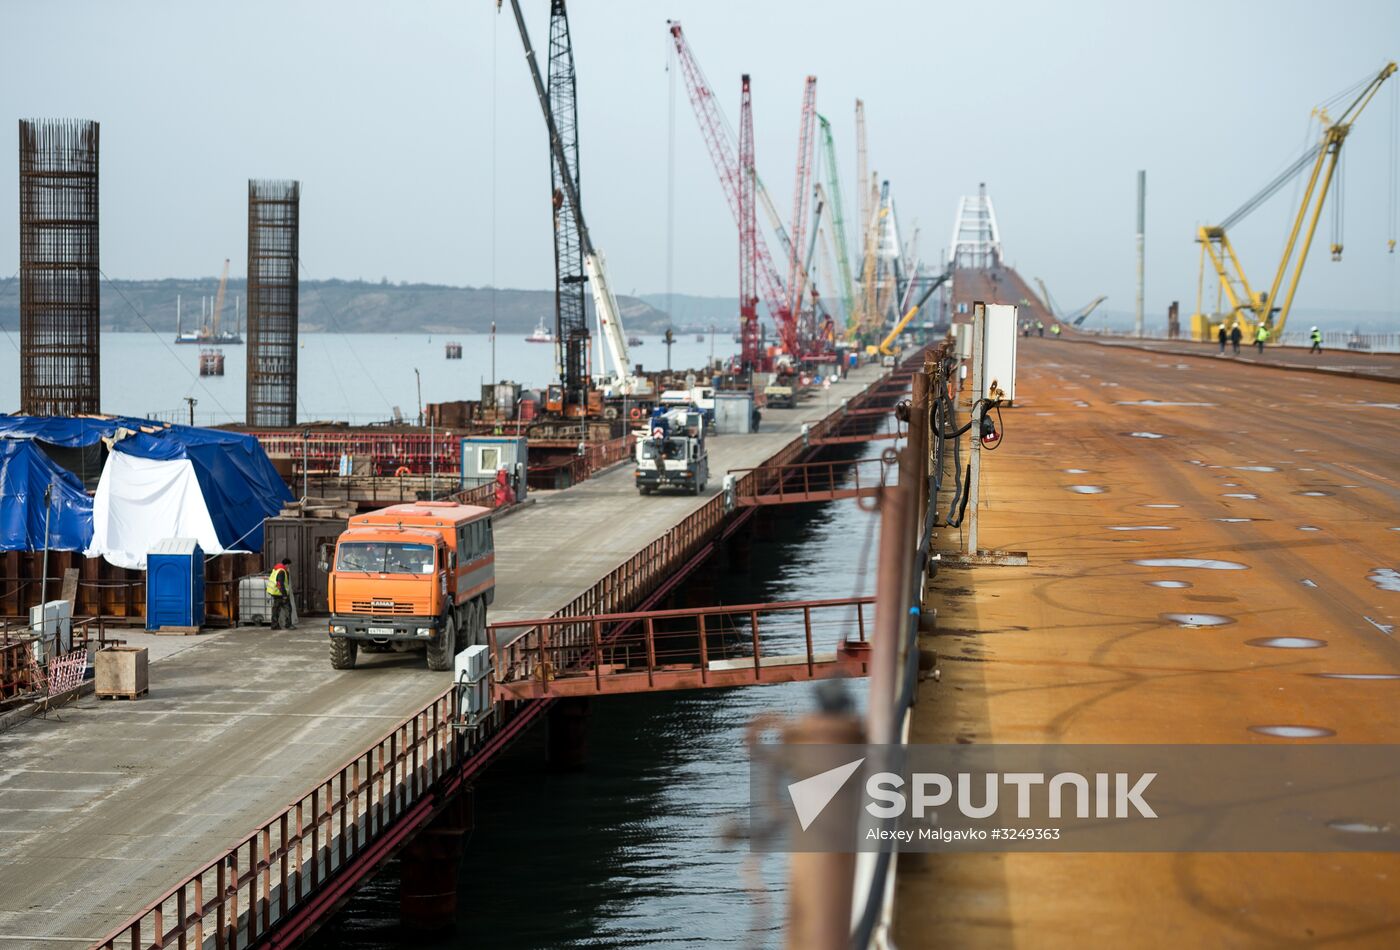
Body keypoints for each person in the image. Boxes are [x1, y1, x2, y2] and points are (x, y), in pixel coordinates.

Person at [267, 558, 293, 630]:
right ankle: (288, 624)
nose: (289, 567)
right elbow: (280, 583)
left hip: (275, 593)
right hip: (280, 594)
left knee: (275, 610)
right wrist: (284, 595)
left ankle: (274, 625)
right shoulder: (282, 571)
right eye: (289, 565)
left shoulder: (276, 569)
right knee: (288, 609)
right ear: (287, 564)